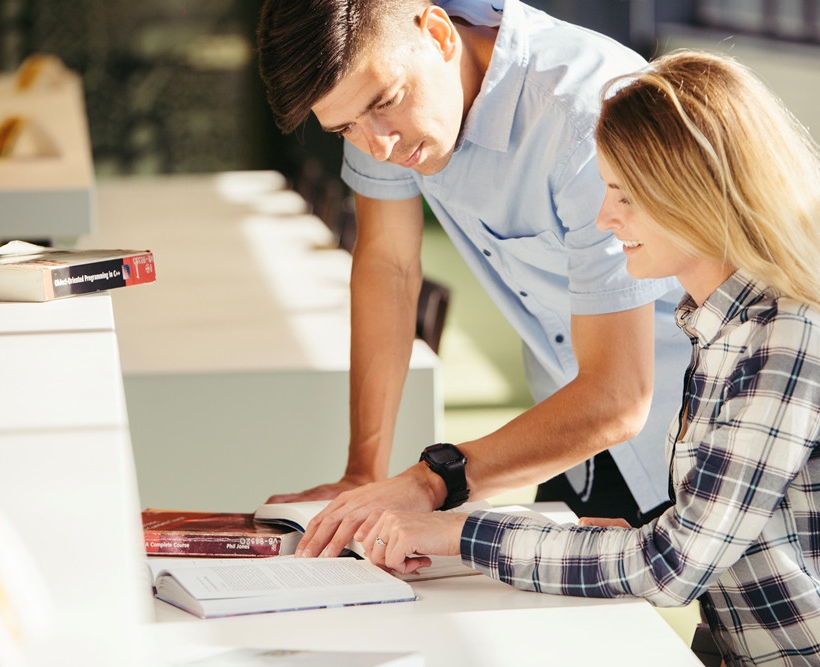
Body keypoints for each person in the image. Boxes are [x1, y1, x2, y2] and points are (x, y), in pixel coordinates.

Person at [356, 50, 820, 665]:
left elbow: (674, 566)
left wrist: (463, 534)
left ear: (699, 195)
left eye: (626, 196)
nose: (605, 218)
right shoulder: (716, 326)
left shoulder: (786, 337)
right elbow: (707, 537)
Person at [256, 0, 692, 554]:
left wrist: (431, 480)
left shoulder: (587, 117)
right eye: (345, 128)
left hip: (708, 426)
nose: (379, 146)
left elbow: (620, 396)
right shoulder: (377, 104)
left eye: (386, 103)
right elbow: (387, 267)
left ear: (438, 34)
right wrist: (362, 472)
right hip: (572, 427)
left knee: (734, 632)